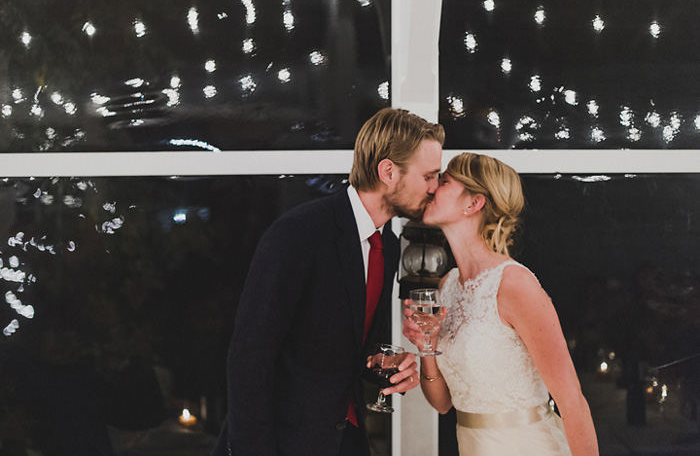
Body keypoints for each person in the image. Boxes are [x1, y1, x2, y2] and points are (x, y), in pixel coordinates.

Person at [212, 108, 445, 456]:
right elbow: (249, 358)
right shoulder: (299, 233)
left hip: (344, 440)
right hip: (282, 442)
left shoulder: (390, 245)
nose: (435, 187)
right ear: (388, 172)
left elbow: (356, 347)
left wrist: (386, 366)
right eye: (429, 175)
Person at [402, 152, 598, 456]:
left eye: (443, 181)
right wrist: (426, 347)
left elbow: (571, 400)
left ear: (473, 203)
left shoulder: (514, 284)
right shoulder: (448, 285)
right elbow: (442, 404)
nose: (431, 189)